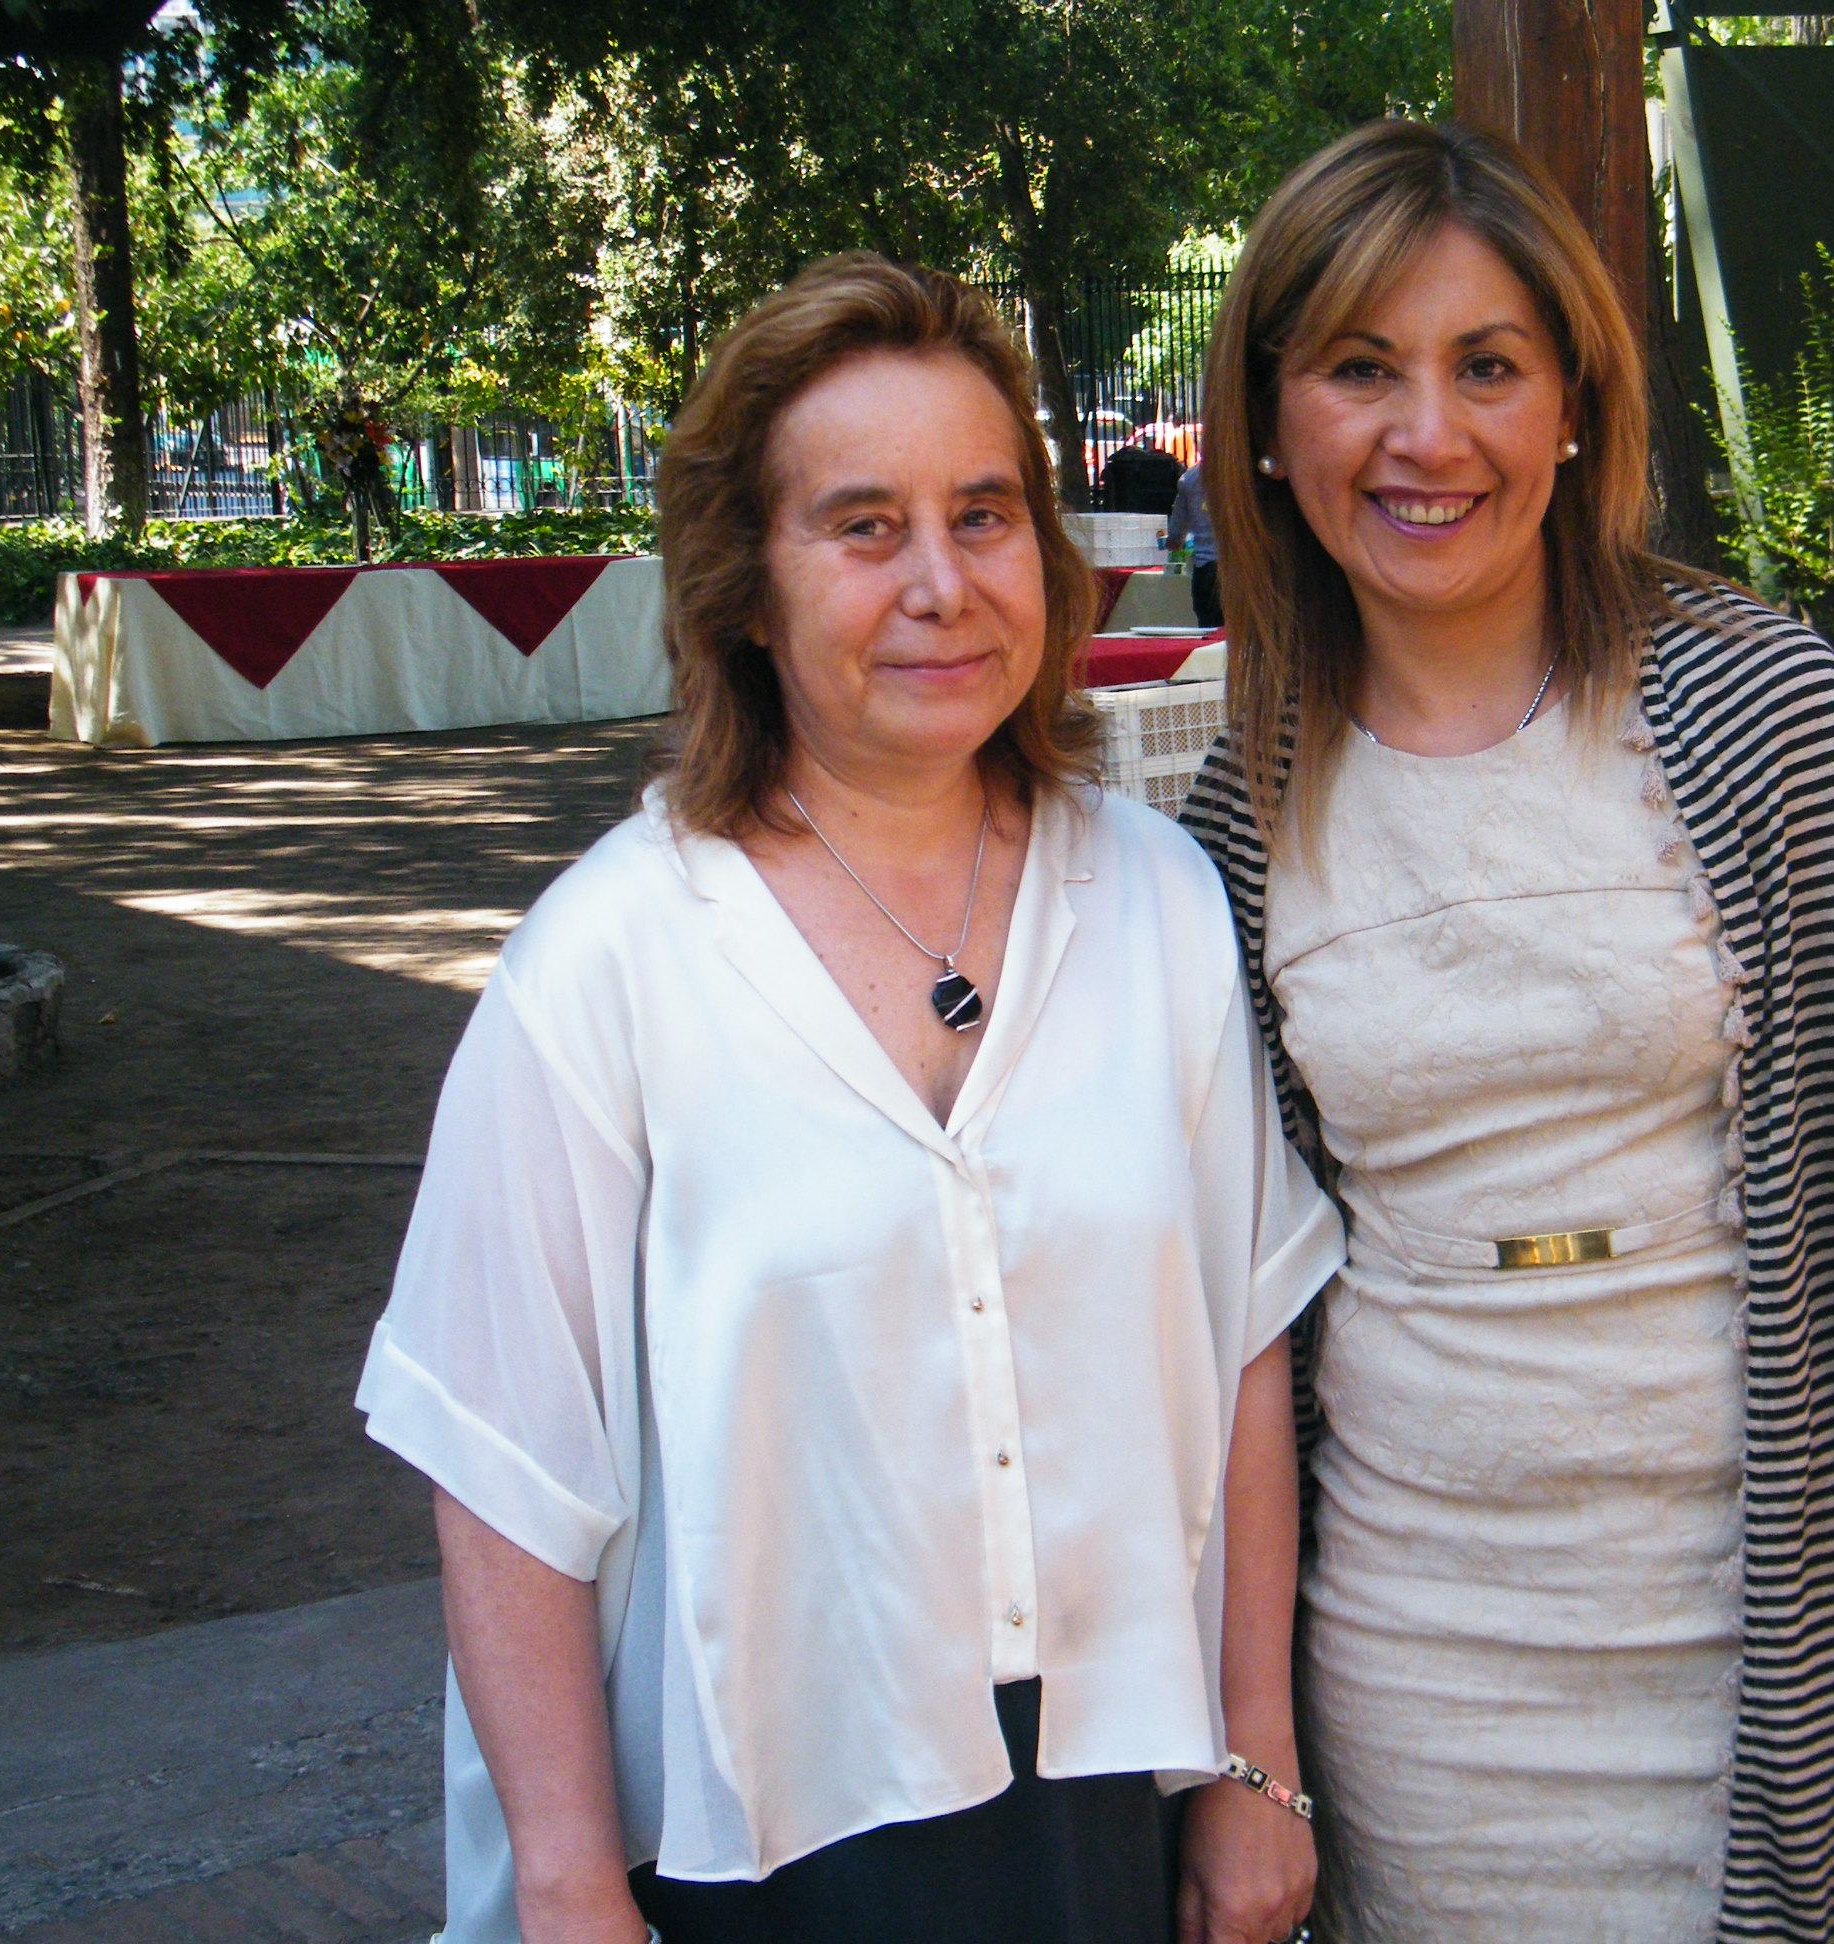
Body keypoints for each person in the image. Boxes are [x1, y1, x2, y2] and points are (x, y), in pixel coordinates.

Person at [357, 254, 1336, 1944]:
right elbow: (507, 1463)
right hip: (766, 1833)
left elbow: (1241, 1335)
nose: (941, 582)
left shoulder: (1158, 900)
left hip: (1099, 1805)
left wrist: (1255, 1761)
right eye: (864, 526)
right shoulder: (610, 961)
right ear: (746, 584)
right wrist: (573, 1884)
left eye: (981, 513)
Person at [1179, 121, 1834, 1943]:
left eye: (1487, 368)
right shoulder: (1237, 810)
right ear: (1269, 421)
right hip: (1420, 1653)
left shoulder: (1763, 711)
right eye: (1360, 369)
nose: (1429, 436)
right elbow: (1235, 1303)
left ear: (1571, 405)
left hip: (1776, 1624)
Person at [1170, 460, 1223, 629]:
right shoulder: (1246, 473)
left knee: (1209, 630)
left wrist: (1175, 541)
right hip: (1243, 568)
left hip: (1207, 569)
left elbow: (1176, 533)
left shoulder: (1190, 478)